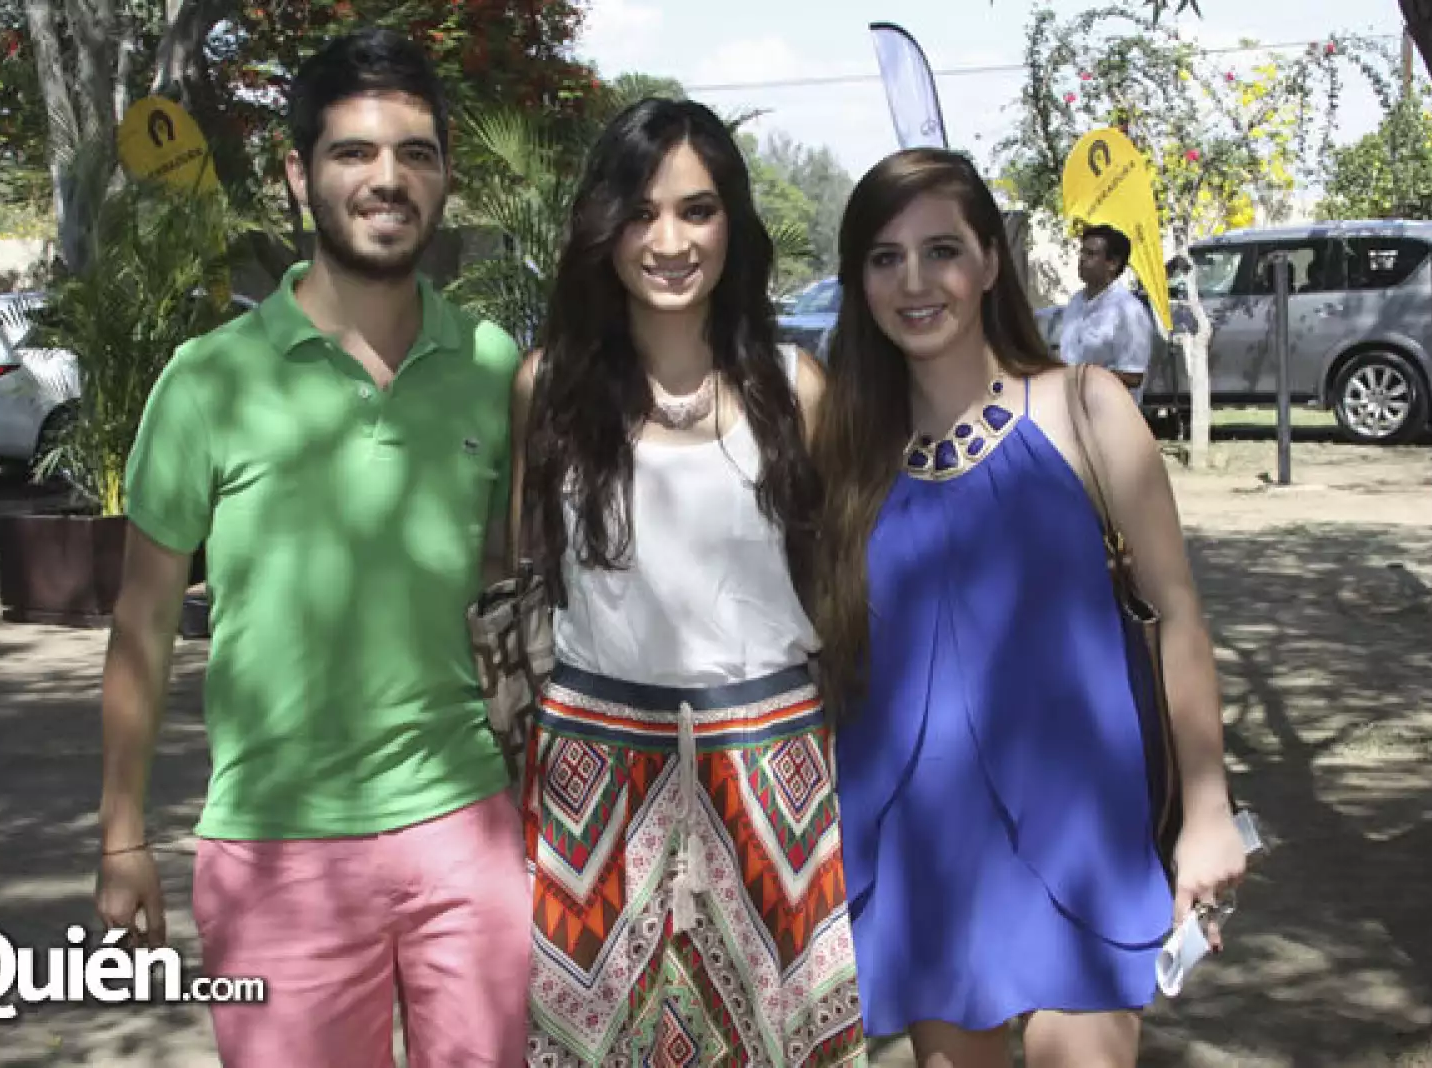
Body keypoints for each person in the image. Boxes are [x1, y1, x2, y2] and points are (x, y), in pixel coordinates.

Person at [92, 28, 530, 1067]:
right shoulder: (208, 379)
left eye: (416, 154)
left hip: (467, 830)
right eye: (355, 153)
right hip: (276, 848)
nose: (389, 179)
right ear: (300, 173)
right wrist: (120, 839)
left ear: (443, 177)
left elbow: (509, 588)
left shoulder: (490, 362)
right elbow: (143, 623)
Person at [809, 147, 1247, 1067]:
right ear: (858, 280)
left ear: (990, 263)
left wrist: (1206, 809)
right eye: (885, 258)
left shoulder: (1085, 409)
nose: (915, 281)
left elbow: (1177, 618)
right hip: (922, 850)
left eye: (942, 250)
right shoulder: (843, 450)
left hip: (1082, 836)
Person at [509, 98, 868, 1066]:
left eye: (697, 210)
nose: (668, 241)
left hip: (771, 775)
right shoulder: (546, 386)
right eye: (640, 212)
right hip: (596, 777)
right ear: (603, 228)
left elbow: (838, 589)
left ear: (732, 225)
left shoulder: (796, 387)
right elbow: (521, 580)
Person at [1059, 223, 1157, 401]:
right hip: (1071, 409)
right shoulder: (1076, 301)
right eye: (1082, 252)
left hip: (1109, 414)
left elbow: (1133, 376)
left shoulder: (1129, 311)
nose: (1082, 259)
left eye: (1091, 254)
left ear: (1112, 263)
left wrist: (1084, 376)